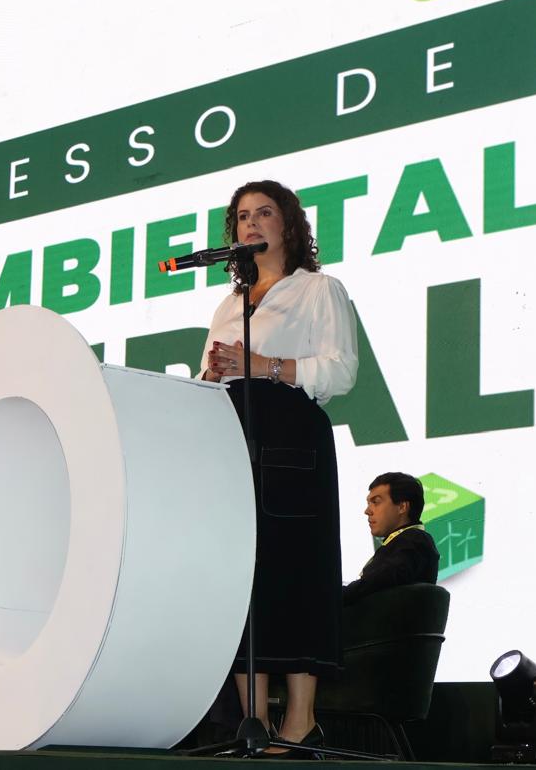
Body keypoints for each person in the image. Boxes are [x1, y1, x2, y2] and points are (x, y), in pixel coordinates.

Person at [199, 180, 358, 754]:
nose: (251, 224)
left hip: (292, 439)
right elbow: (214, 373)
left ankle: (300, 722)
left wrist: (262, 364)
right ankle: (253, 724)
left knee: (292, 573)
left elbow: (340, 373)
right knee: (242, 579)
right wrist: (213, 377)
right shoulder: (226, 305)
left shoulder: (319, 289)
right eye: (242, 216)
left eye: (264, 213)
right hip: (231, 435)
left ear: (290, 225)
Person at [344, 473, 440, 604]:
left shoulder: (415, 540)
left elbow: (379, 580)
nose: (367, 511)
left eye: (376, 502)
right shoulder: (405, 542)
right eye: (368, 503)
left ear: (402, 507)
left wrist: (334, 594)